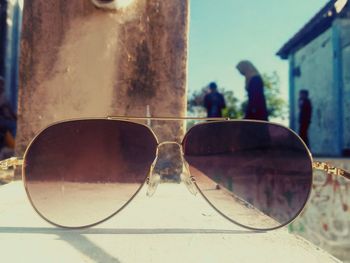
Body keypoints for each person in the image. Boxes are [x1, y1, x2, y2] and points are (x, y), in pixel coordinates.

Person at [0, 77, 17, 158]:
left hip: (6, 126)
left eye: (2, 85)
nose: (1, 87)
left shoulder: (3, 98)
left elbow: (12, 115)